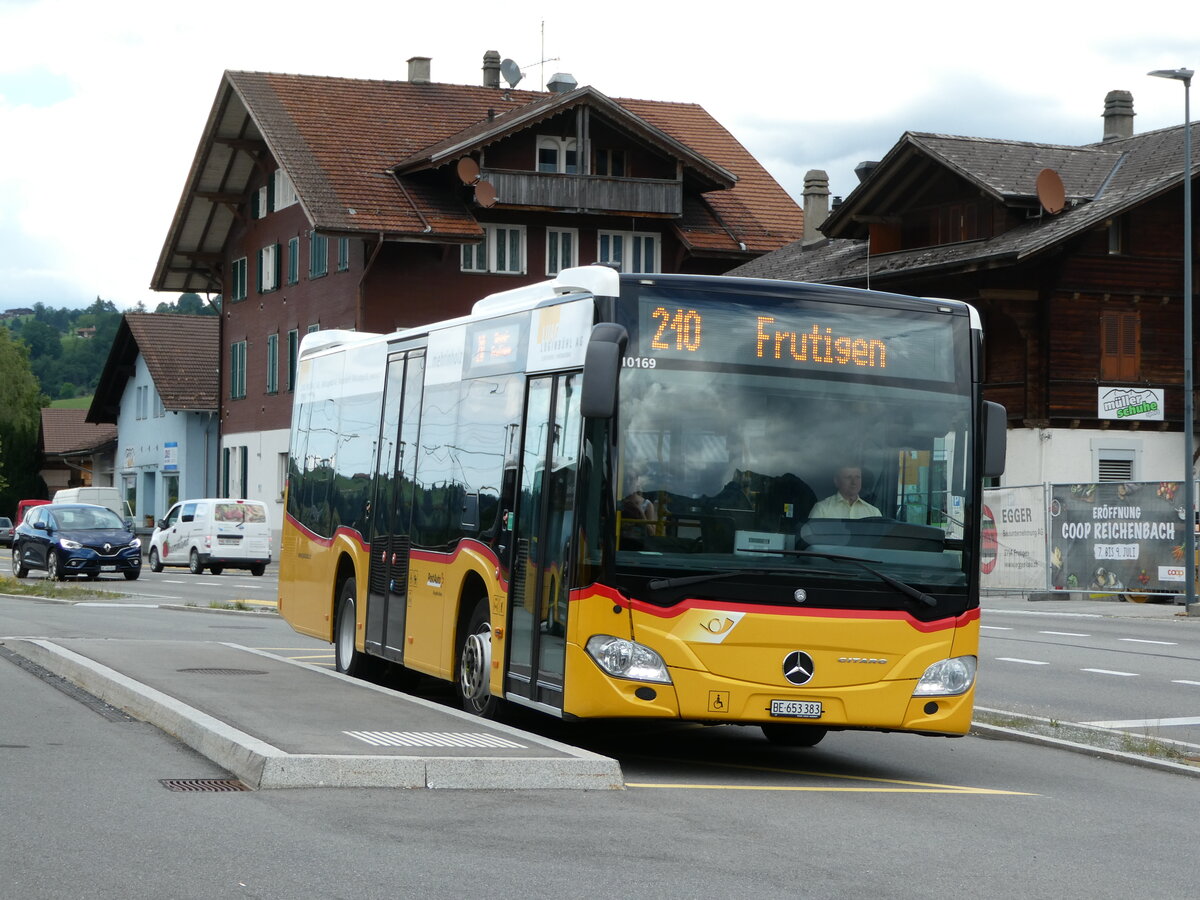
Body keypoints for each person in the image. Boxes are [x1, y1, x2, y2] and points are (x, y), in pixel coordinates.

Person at [809, 465, 882, 519]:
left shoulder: (874, 513)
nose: (854, 482)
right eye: (849, 477)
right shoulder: (821, 509)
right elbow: (811, 539)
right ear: (837, 481)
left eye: (857, 477)